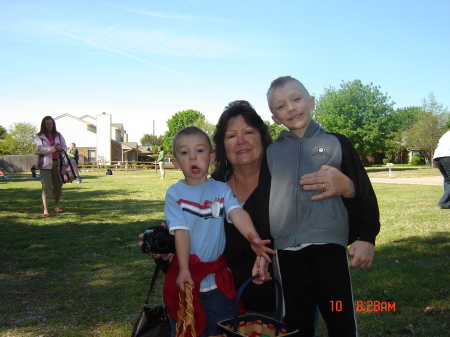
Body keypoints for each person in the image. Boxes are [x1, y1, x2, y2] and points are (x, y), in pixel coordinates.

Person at [265, 76, 380, 336]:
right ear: (275, 118)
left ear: (311, 101)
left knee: (339, 315)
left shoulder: (337, 143)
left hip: (329, 249)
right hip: (287, 253)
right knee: (295, 324)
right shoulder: (272, 153)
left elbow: (362, 190)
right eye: (281, 106)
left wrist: (367, 236)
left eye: (296, 99)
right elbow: (265, 201)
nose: (291, 108)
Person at [162, 126, 275, 337]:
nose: (193, 157)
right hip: (186, 279)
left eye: (200, 151)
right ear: (176, 162)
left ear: (212, 157)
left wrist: (254, 238)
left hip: (217, 283)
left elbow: (237, 213)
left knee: (221, 330)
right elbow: (182, 232)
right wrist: (184, 269)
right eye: (185, 153)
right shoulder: (175, 193)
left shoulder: (221, 190)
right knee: (187, 330)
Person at [35, 116, 67, 217]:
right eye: (47, 124)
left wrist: (60, 149)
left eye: (51, 124)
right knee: (46, 186)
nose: (49, 126)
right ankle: (45, 210)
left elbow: (65, 149)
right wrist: (53, 149)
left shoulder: (58, 136)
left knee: (58, 186)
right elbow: (39, 150)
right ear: (44, 125)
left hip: (57, 163)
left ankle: (57, 205)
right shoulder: (39, 136)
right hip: (45, 164)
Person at [433, 125, 450, 209]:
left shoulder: (446, 134)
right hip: (447, 157)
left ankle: (447, 203)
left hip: (437, 157)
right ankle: (443, 202)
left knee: (447, 180)